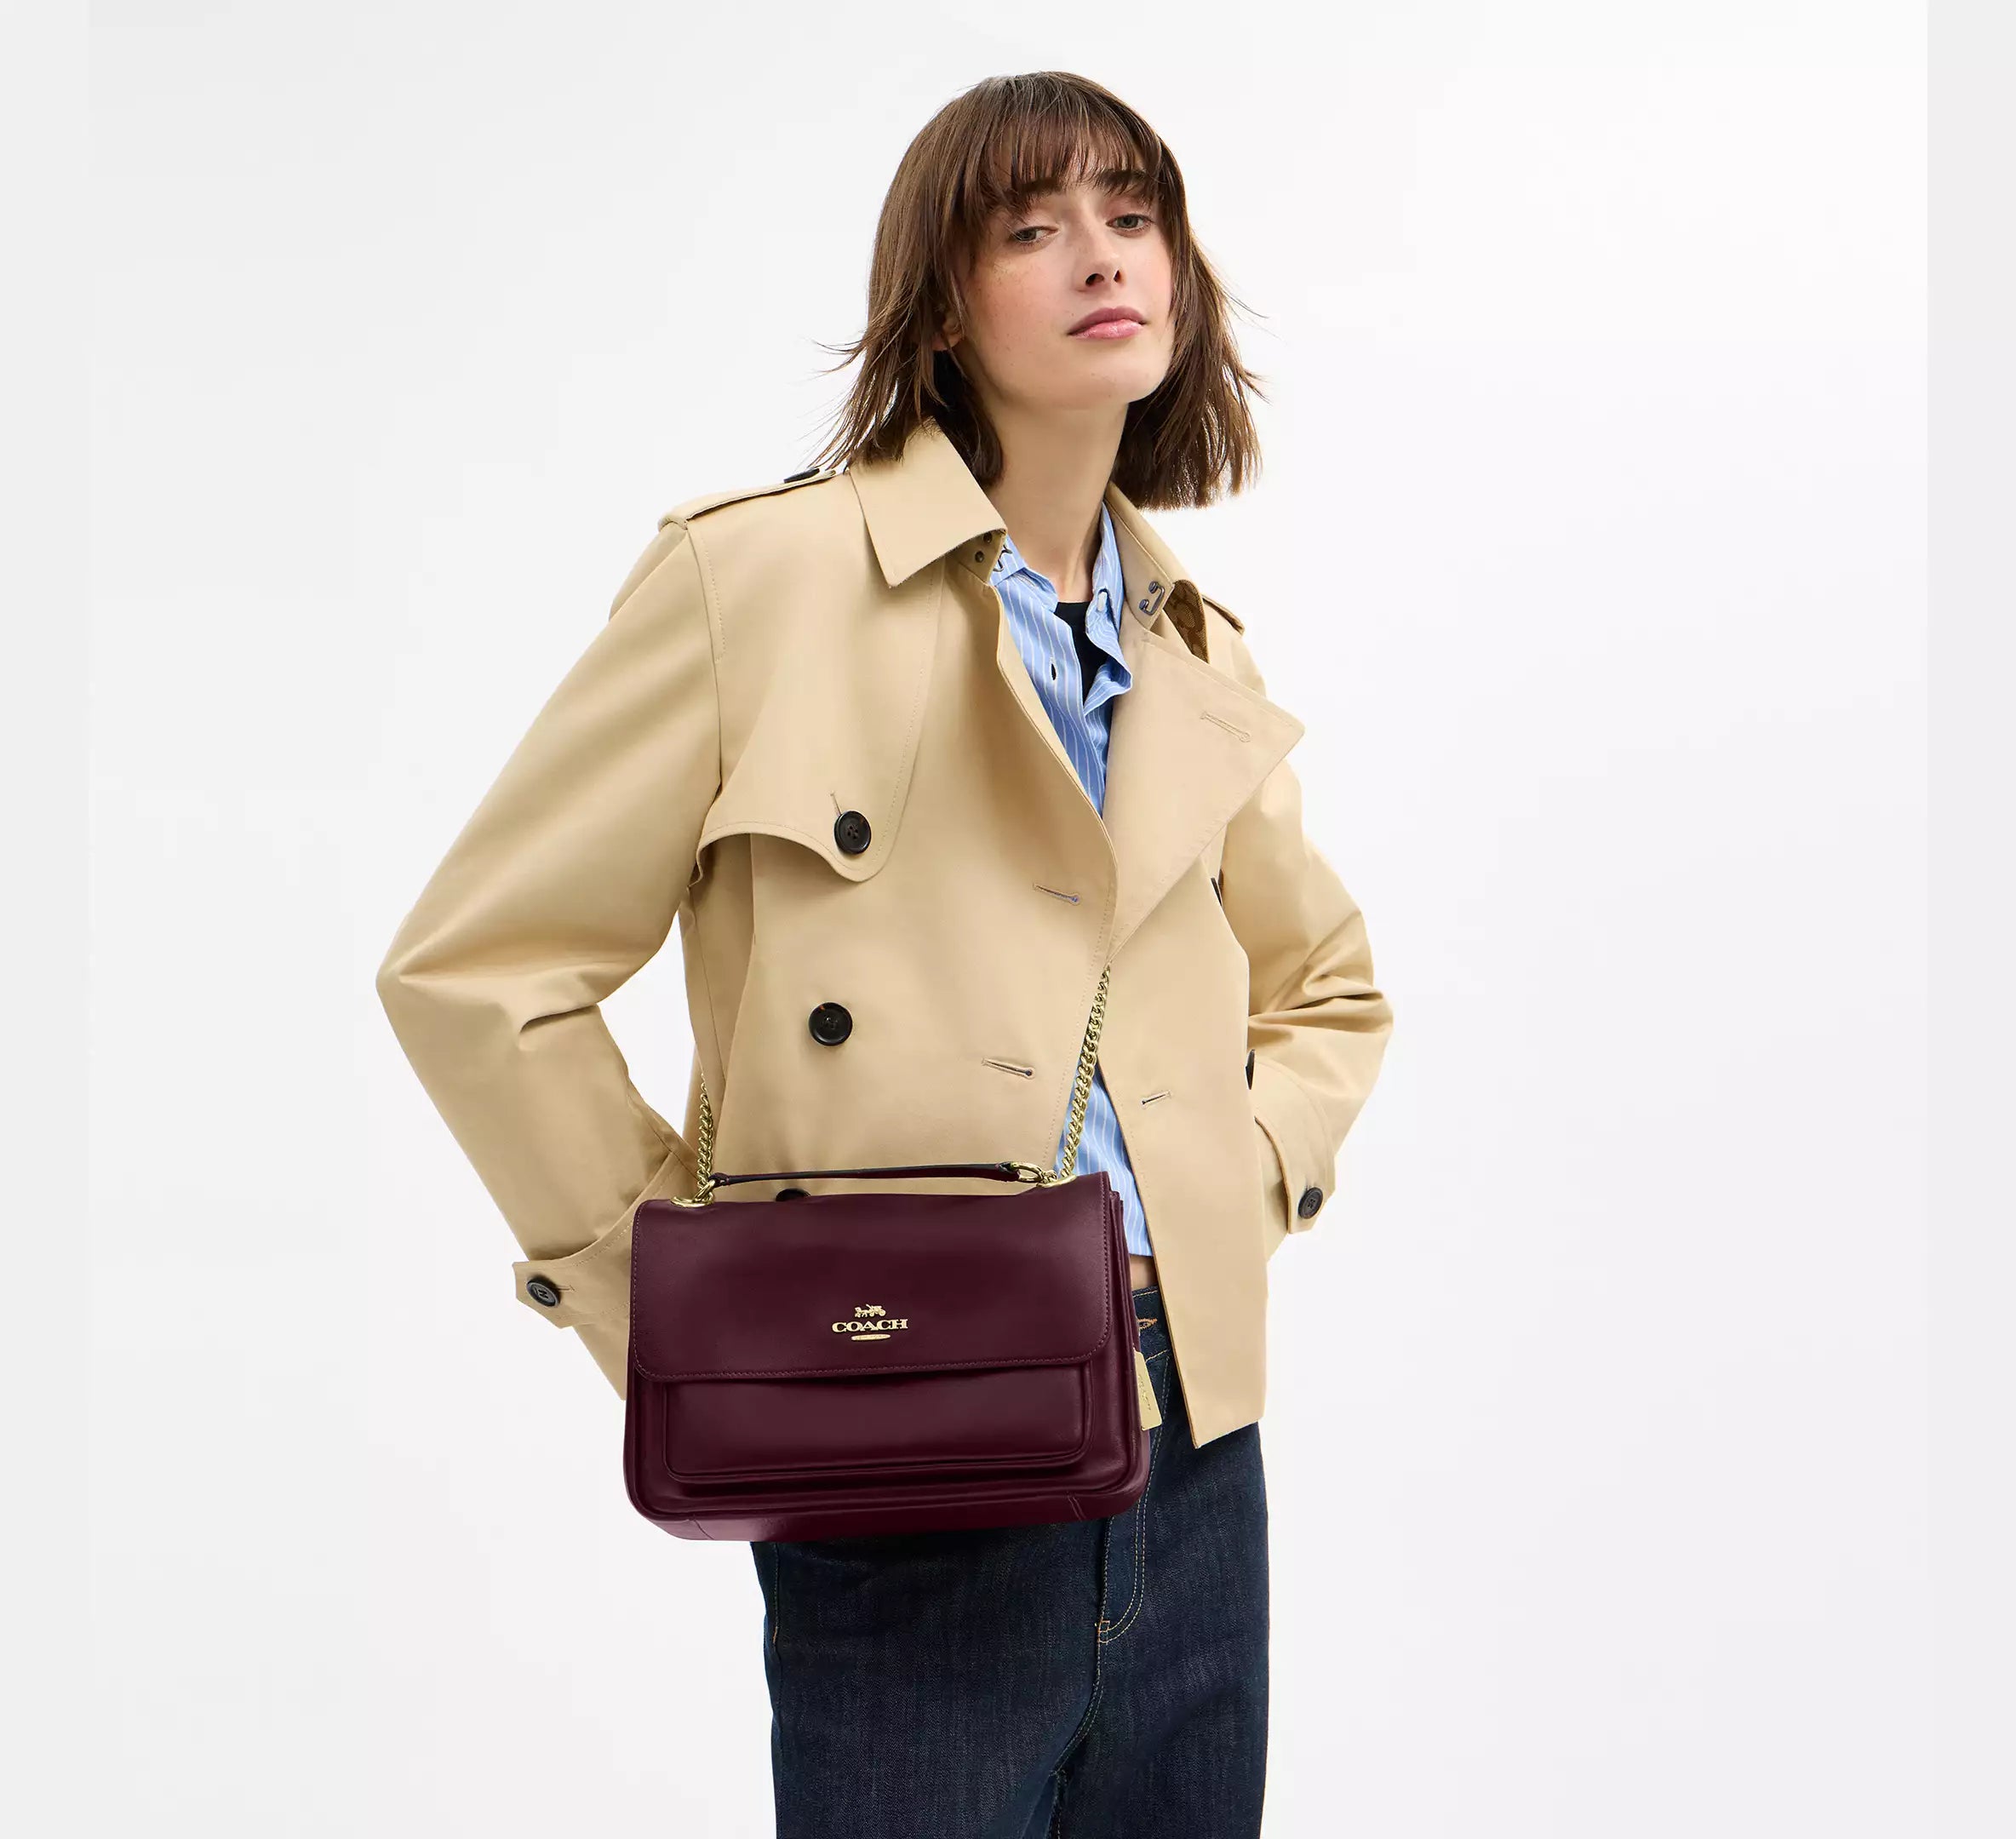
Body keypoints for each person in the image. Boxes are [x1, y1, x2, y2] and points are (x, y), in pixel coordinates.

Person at [376, 68, 1393, 1839]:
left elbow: (1329, 992)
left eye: (1133, 215)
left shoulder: (1191, 650)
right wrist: (689, 1306)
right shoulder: (757, 583)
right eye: (1033, 226)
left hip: (1192, 1457)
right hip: (898, 1432)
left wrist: (1225, 1185)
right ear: (939, 305)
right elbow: (479, 972)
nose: (1103, 256)